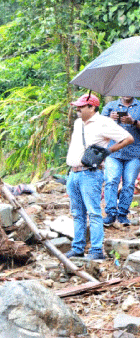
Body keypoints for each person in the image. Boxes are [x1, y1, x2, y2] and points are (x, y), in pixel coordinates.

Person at [66, 93, 133, 260]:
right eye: (78, 106)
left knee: (93, 213)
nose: (78, 109)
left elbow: (128, 138)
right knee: (77, 213)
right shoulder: (77, 123)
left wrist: (108, 151)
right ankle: (78, 247)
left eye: (81, 107)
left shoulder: (104, 122)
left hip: (90, 173)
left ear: (92, 107)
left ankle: (96, 250)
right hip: (73, 172)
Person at [101, 96, 140, 226]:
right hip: (113, 151)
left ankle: (123, 214)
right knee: (111, 181)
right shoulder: (111, 106)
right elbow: (99, 126)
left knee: (129, 184)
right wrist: (109, 120)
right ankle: (111, 213)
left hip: (134, 153)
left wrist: (133, 122)